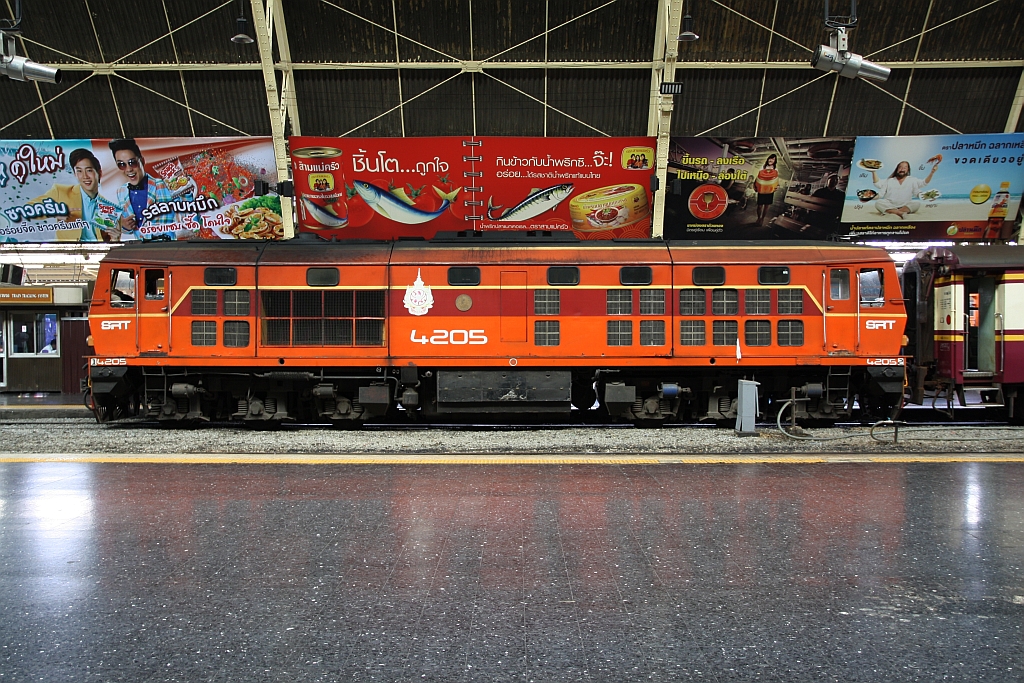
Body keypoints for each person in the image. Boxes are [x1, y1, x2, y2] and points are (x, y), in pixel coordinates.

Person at [28, 148, 108, 242]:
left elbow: (109, 239)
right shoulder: (61, 192)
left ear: (99, 173)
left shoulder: (108, 207)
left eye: (89, 170)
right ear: (75, 174)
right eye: (79, 171)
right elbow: (29, 208)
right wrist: (55, 211)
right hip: (68, 252)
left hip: (99, 252)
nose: (85, 176)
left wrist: (115, 237)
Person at [108, 138, 178, 240]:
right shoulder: (121, 192)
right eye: (121, 165)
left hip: (169, 248)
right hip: (143, 251)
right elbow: (130, 229)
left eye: (132, 162)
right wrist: (124, 226)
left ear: (142, 161)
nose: (128, 169)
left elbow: (188, 214)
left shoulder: (165, 185)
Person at [872, 159, 939, 219]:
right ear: (897, 169)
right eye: (900, 167)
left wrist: (932, 173)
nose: (902, 169)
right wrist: (869, 198)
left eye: (905, 167)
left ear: (907, 170)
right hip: (890, 205)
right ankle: (899, 213)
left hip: (905, 206)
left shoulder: (912, 180)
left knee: (917, 203)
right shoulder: (889, 180)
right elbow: (880, 194)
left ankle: (894, 212)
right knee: (878, 203)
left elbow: (919, 190)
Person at [754, 154, 779, 226]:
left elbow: (777, 179)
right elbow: (757, 176)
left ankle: (762, 218)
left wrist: (778, 186)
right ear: (768, 159)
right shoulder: (763, 167)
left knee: (766, 205)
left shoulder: (775, 169)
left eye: (773, 159)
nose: (771, 160)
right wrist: (754, 185)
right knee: (759, 205)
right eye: (770, 158)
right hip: (761, 188)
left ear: (775, 161)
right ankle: (758, 218)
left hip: (770, 189)